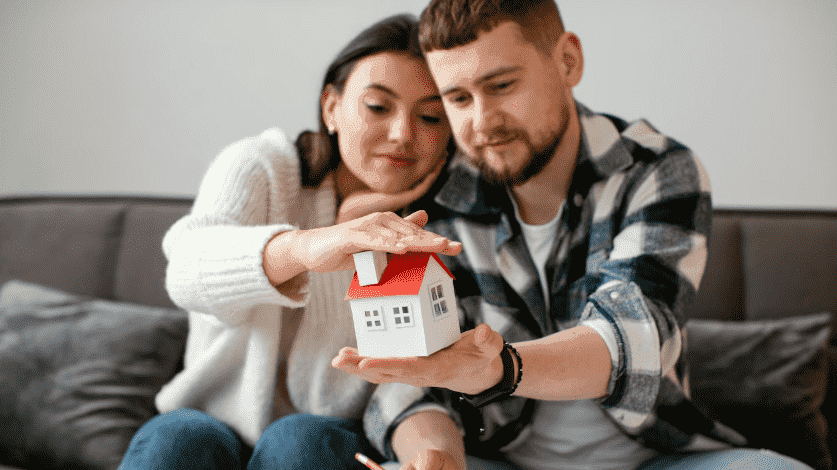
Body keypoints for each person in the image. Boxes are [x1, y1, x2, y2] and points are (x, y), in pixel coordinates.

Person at [332, 1, 812, 469]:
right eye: (458, 98)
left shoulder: (656, 171)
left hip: (653, 457)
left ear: (567, 60)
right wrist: (437, 456)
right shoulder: (438, 196)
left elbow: (630, 336)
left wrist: (501, 368)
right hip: (497, 459)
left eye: (501, 85)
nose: (481, 122)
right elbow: (412, 382)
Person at [118, 13, 463, 470]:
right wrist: (307, 247)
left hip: (328, 436)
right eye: (378, 107)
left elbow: (415, 379)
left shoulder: (447, 228)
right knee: (176, 443)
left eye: (430, 116)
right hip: (205, 421)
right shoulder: (262, 167)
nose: (402, 133)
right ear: (331, 107)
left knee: (298, 442)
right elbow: (185, 271)